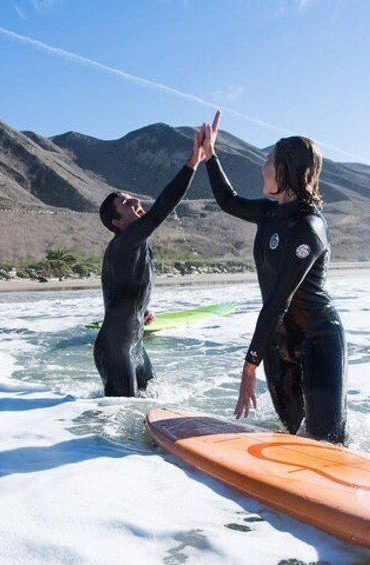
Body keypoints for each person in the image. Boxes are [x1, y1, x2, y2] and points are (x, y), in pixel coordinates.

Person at [201, 112, 347, 444]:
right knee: (294, 433)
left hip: (318, 340)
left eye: (269, 159)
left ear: (288, 169)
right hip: (280, 340)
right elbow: (228, 201)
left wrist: (249, 365)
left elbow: (278, 300)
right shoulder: (269, 213)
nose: (262, 165)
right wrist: (210, 155)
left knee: (328, 441)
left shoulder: (309, 227)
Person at [94, 129, 204, 396]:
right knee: (121, 421)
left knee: (150, 402)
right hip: (115, 349)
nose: (135, 201)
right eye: (125, 203)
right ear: (117, 223)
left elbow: (120, 290)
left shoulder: (135, 244)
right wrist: (191, 165)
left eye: (129, 198)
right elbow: (162, 208)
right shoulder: (124, 243)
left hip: (135, 345)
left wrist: (140, 313)